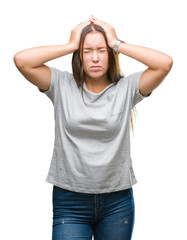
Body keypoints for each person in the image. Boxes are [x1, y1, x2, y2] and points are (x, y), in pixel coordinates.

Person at [14, 15, 173, 240]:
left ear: (110, 54)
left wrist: (117, 43)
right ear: (78, 56)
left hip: (117, 202)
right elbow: (22, 60)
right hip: (70, 201)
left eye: (102, 50)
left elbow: (164, 63)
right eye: (87, 51)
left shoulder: (126, 89)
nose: (95, 58)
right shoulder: (61, 85)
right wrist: (71, 44)